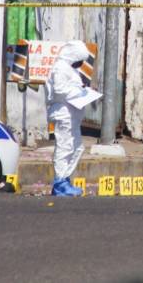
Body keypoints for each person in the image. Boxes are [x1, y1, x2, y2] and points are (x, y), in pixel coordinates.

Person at [45, 40, 90, 197]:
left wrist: (84, 91)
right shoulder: (60, 68)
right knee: (65, 147)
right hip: (63, 114)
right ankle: (60, 183)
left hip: (72, 115)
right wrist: (79, 92)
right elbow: (60, 89)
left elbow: (72, 87)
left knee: (76, 147)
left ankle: (65, 179)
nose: (81, 63)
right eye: (80, 59)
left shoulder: (69, 69)